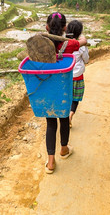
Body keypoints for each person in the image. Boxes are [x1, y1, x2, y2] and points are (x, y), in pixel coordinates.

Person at [44, 12, 87, 174]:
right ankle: (64, 149)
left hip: (47, 87)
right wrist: (79, 40)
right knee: (63, 118)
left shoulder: (41, 44)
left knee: (50, 123)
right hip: (63, 87)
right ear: (64, 28)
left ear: (47, 27)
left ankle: (50, 162)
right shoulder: (68, 45)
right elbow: (83, 41)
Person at [66, 20, 89, 128]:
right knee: (75, 98)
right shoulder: (82, 45)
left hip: (65, 76)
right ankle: (71, 114)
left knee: (66, 97)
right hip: (77, 76)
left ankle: (64, 115)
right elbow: (86, 59)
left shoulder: (64, 42)